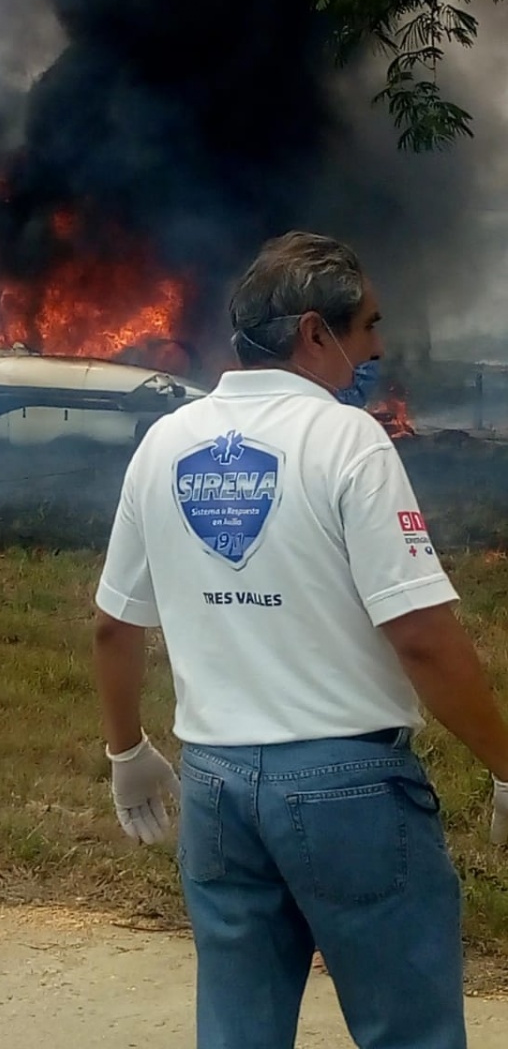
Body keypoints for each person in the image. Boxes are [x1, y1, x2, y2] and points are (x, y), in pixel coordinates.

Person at [93, 231, 508, 1049]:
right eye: (370, 326)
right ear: (316, 332)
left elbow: (114, 622)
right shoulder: (348, 440)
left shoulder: (164, 444)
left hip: (215, 788)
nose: (379, 347)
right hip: (348, 788)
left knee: (239, 1031)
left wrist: (126, 751)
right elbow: (421, 634)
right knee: (409, 1031)